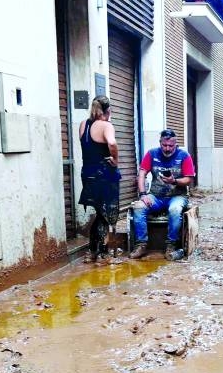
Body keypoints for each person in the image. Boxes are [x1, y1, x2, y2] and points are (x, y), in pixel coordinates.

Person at [127, 129, 195, 261]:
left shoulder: (184, 155)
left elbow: (189, 179)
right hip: (156, 196)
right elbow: (141, 174)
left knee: (175, 210)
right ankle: (141, 244)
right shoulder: (152, 154)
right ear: (160, 143)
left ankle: (171, 245)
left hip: (177, 196)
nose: (167, 148)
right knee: (139, 207)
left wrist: (174, 181)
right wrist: (142, 194)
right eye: (164, 145)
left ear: (176, 144)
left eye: (171, 146)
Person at [77, 96, 120, 263]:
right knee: (106, 214)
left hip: (87, 174)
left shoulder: (83, 125)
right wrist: (115, 159)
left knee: (99, 213)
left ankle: (92, 252)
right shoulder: (106, 126)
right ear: (108, 111)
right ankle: (102, 253)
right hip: (104, 174)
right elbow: (112, 143)